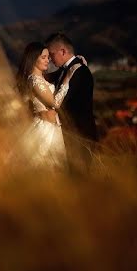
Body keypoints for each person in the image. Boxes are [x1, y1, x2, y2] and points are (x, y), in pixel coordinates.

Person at [14, 42, 81, 167]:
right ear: (33, 59)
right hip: (44, 129)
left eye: (48, 58)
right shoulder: (34, 80)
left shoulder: (40, 79)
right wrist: (67, 80)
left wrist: (75, 63)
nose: (47, 61)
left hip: (52, 127)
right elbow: (54, 103)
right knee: (43, 165)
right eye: (43, 57)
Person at [45, 32, 97, 172]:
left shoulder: (79, 71)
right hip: (68, 133)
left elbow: (62, 102)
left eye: (51, 54)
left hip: (79, 134)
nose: (49, 59)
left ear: (63, 51)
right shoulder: (64, 70)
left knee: (79, 178)